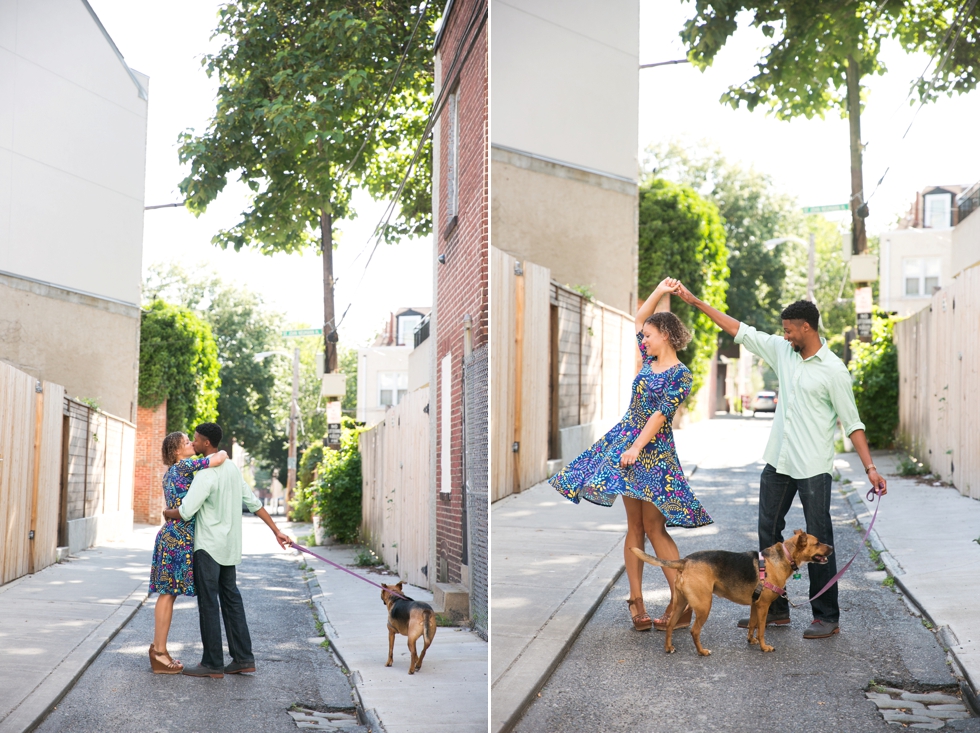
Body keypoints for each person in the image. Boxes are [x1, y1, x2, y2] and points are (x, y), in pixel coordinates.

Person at [672, 282, 887, 639]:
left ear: (807, 328)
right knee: (768, 534)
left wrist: (870, 468)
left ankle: (826, 616)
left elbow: (853, 423)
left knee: (818, 542)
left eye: (789, 330)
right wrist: (695, 301)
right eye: (783, 330)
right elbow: (738, 329)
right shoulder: (782, 352)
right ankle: (776, 607)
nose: (784, 335)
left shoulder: (833, 370)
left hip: (814, 466)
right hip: (778, 462)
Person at [549, 278, 712, 631]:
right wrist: (660, 290)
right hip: (626, 443)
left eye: (651, 336)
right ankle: (637, 604)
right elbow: (640, 319)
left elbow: (661, 414)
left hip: (653, 453)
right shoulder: (647, 361)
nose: (645, 340)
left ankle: (679, 600)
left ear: (665, 336)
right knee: (634, 526)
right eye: (645, 338)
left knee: (655, 526)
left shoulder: (680, 374)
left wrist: (637, 446)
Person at [162, 422, 292, 677]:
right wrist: (276, 530)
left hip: (208, 547)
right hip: (229, 548)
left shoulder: (206, 474)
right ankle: (243, 658)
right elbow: (254, 503)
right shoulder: (232, 469)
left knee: (209, 603)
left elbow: (186, 511)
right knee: (232, 600)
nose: (194, 443)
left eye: (196, 439)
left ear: (206, 443)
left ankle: (212, 663)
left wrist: (167, 512)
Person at [148, 432, 228, 674]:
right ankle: (159, 653)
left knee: (168, 594)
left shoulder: (173, 471)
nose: (191, 444)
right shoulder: (183, 466)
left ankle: (159, 649)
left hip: (172, 535)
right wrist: (223, 452)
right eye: (185, 443)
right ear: (175, 453)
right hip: (176, 538)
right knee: (167, 594)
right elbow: (217, 458)